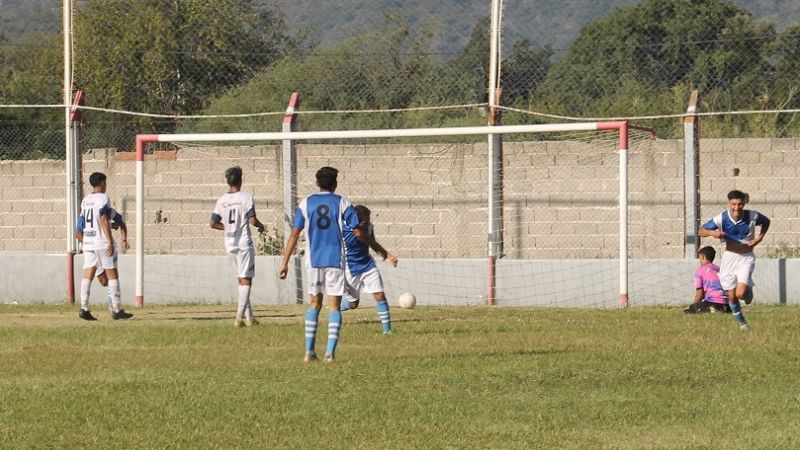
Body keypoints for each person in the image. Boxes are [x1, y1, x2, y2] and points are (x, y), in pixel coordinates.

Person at [278, 167, 360, 363]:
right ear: (335, 184)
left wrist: (284, 262)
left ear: (316, 182)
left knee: (314, 304)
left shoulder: (306, 203)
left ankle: (309, 352)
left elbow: (294, 234)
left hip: (313, 261)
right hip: (335, 260)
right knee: (334, 307)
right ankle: (330, 353)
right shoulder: (342, 202)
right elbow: (356, 228)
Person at [699, 190, 770, 330]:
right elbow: (701, 230)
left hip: (746, 258)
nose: (736, 208)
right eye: (733, 204)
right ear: (728, 204)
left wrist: (759, 238)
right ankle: (743, 324)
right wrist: (713, 233)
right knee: (731, 296)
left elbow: (766, 222)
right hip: (730, 258)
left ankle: (747, 288)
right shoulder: (722, 218)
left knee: (740, 294)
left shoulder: (752, 216)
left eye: (740, 204)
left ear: (744, 203)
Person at [210, 166, 265, 328]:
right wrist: (261, 226)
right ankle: (239, 318)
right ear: (241, 180)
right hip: (243, 242)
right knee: (246, 280)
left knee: (241, 280)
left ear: (228, 181)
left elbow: (213, 223)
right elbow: (253, 220)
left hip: (229, 243)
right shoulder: (245, 197)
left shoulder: (222, 200)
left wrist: (226, 228)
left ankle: (250, 318)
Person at [77, 172, 133, 321]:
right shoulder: (103, 198)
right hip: (101, 242)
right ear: (102, 183)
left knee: (87, 275)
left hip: (88, 242)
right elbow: (102, 219)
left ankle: (84, 307)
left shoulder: (85, 201)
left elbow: (80, 228)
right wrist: (109, 240)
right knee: (112, 274)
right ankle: (116, 309)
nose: (106, 185)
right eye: (105, 182)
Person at [340, 204, 397, 334]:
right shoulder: (344, 227)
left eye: (369, 219)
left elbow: (372, 243)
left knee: (379, 294)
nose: (368, 222)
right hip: (349, 268)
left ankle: (387, 332)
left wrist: (387, 256)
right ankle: (335, 307)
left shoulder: (369, 227)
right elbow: (359, 235)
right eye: (365, 221)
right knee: (353, 304)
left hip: (367, 265)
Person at [76, 207, 130, 314]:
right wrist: (88, 243)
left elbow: (121, 223)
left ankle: (113, 306)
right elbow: (78, 233)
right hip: (94, 248)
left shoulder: (107, 210)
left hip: (103, 247)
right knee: (104, 281)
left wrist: (124, 240)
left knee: (110, 276)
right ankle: (84, 307)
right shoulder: (86, 213)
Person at [683, 246, 730, 314]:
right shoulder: (719, 269)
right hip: (726, 302)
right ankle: (725, 309)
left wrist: (694, 306)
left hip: (713, 301)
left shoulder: (699, 271)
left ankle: (712, 309)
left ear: (702, 256)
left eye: (699, 257)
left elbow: (700, 294)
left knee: (687, 310)